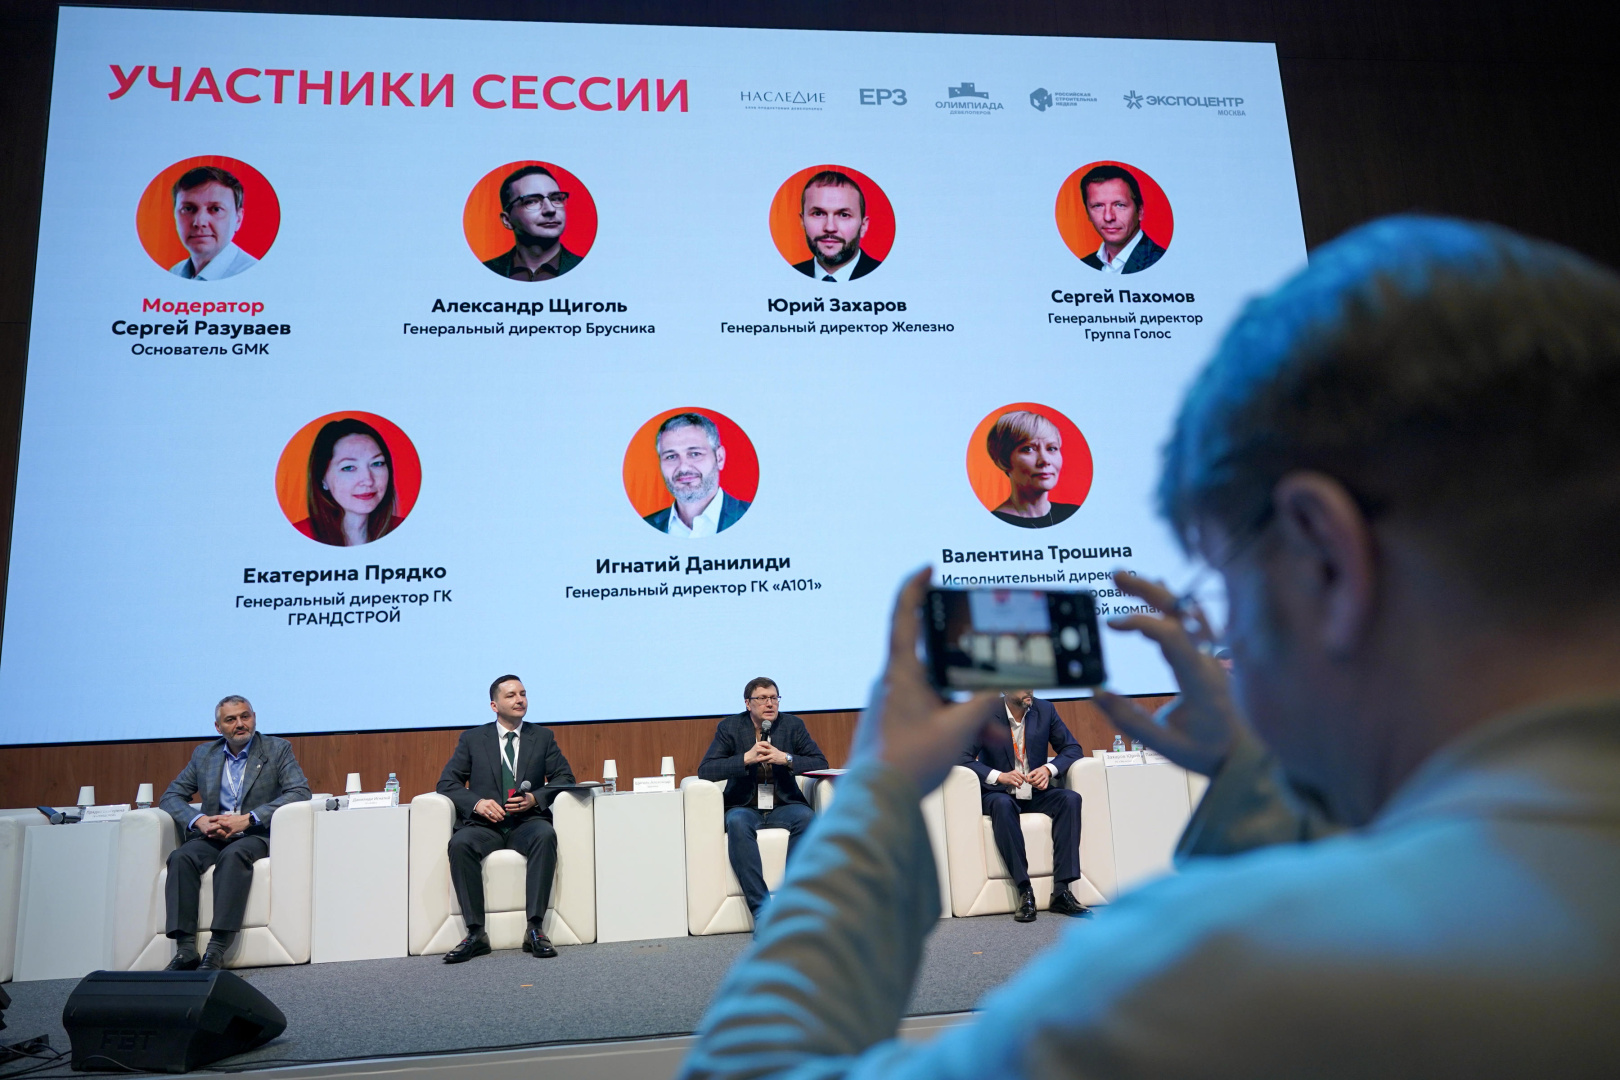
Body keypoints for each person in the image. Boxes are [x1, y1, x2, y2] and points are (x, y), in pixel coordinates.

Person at [678, 217, 1620, 1078]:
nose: (1226, 634)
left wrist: (879, 799)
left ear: (1327, 559)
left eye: (1226, 581)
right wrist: (1256, 775)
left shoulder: (1228, 965)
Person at [158, 696, 310, 971]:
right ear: (218, 727)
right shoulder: (205, 754)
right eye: (231, 719)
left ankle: (216, 949)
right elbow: (170, 797)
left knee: (234, 855)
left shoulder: (276, 749)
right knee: (181, 857)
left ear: (254, 717)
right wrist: (199, 820)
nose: (240, 724)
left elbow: (299, 791)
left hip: (255, 835)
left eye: (245, 716)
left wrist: (249, 819)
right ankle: (185, 949)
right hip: (213, 835)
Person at [436, 675, 575, 962]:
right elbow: (447, 783)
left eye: (523, 694)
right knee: (460, 844)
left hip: (526, 823)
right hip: (486, 825)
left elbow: (565, 777)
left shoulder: (542, 737)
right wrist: (477, 803)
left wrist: (535, 798)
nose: (520, 700)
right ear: (494, 705)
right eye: (511, 695)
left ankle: (535, 929)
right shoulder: (473, 739)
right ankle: (476, 933)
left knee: (545, 835)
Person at [697, 678, 828, 921]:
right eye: (762, 698)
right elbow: (706, 770)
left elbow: (820, 762)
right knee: (737, 821)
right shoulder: (730, 727)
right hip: (744, 806)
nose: (770, 703)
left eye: (774, 698)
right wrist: (746, 758)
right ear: (748, 703)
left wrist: (785, 758)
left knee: (807, 818)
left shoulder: (792, 725)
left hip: (783, 805)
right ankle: (762, 911)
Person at [959, 689, 1088, 921]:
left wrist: (1048, 769)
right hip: (1000, 793)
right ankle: (1024, 891)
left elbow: (1072, 749)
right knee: (1002, 805)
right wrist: (998, 776)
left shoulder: (1045, 710)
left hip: (1035, 792)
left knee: (1070, 799)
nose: (1029, 689)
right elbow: (961, 756)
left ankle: (1062, 891)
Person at [295, 417, 403, 547]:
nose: (368, 481)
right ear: (322, 478)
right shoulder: (295, 537)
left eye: (377, 463)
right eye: (349, 468)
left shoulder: (407, 530)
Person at [642, 413, 751, 537]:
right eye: (671, 457)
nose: (683, 467)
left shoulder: (757, 519)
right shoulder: (642, 528)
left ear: (719, 458)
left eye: (695, 454)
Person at [482, 165, 583, 281]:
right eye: (531, 201)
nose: (550, 209)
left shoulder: (588, 269)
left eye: (556, 199)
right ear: (507, 220)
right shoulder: (483, 273)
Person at [986, 410, 1079, 528]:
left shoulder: (1074, 514)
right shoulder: (991, 525)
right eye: (1028, 449)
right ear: (1003, 460)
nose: (1045, 460)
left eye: (1052, 448)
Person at [169, 165, 258, 281]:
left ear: (238, 219)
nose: (199, 222)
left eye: (216, 209)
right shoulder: (174, 272)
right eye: (188, 209)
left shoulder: (255, 276)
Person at [792, 170, 883, 282]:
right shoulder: (784, 278)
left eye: (844, 215)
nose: (830, 227)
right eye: (818, 214)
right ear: (802, 221)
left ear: (863, 226)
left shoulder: (888, 278)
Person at [1077, 163, 1165, 274]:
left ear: (1140, 211)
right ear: (1088, 213)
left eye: (1119, 205)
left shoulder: (1163, 263)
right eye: (1098, 206)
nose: (1108, 217)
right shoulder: (1083, 266)